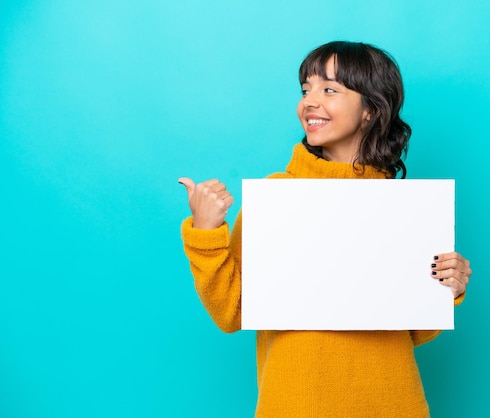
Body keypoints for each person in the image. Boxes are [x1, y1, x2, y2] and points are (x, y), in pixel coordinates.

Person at [179, 41, 472, 417]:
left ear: (370, 110)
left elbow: (412, 334)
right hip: (295, 404)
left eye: (329, 89)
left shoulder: (404, 210)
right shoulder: (276, 197)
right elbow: (231, 312)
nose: (309, 101)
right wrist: (206, 233)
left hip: (393, 404)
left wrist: (445, 289)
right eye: (306, 90)